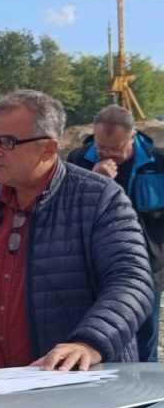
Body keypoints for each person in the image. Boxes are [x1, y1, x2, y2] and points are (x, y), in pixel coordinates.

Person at [0, 89, 153, 372]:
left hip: (73, 384)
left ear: (49, 149)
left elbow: (132, 281)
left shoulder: (100, 199)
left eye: (8, 142)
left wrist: (90, 343)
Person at [67, 105, 164, 362]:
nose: (108, 154)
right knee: (99, 339)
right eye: (102, 148)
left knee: (145, 343)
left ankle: (146, 388)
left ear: (132, 137)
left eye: (116, 148)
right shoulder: (79, 160)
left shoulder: (158, 163)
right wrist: (95, 180)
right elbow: (65, 210)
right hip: (92, 270)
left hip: (147, 270)